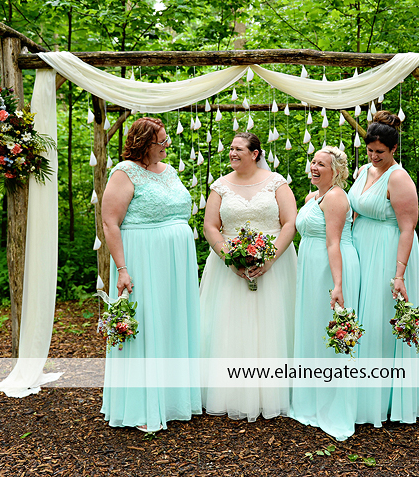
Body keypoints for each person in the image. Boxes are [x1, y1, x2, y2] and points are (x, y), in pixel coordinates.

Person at [100, 117, 201, 432]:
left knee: (171, 322)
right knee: (146, 324)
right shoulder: (124, 172)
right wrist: (122, 268)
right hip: (143, 258)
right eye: (162, 141)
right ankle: (142, 406)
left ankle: (173, 401)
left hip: (176, 264)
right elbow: (110, 223)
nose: (167, 145)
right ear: (144, 144)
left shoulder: (169, 171)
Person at [200, 132, 298, 421]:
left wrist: (270, 258)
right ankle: (230, 392)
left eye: (238, 148)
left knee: (273, 324)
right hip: (228, 267)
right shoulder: (220, 186)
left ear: (255, 154)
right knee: (229, 325)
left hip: (275, 264)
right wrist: (230, 259)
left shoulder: (277, 183)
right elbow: (210, 226)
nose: (232, 152)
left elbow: (290, 223)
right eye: (231, 148)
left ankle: (274, 391)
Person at [348, 110, 419, 426]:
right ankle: (358, 395)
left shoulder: (399, 178)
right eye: (370, 150)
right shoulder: (364, 171)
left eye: (380, 151)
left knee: (382, 320)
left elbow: (408, 228)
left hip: (388, 251)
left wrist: (399, 274)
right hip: (361, 249)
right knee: (361, 317)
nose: (374, 156)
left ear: (393, 148)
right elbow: (354, 210)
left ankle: (385, 401)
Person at [291, 146, 360, 441]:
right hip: (311, 268)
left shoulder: (336, 197)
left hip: (331, 268)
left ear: (336, 171)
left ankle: (334, 405)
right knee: (313, 328)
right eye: (313, 162)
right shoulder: (312, 198)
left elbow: (334, 242)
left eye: (321, 164)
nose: (314, 167)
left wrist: (338, 284)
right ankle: (312, 400)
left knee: (331, 331)